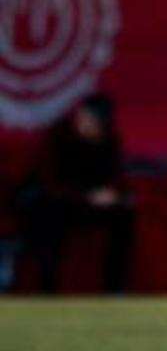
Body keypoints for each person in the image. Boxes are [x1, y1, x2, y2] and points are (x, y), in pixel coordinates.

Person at [16, 92, 135, 293]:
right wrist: (86, 196)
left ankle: (113, 290)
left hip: (88, 203)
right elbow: (50, 184)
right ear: (80, 116)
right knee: (50, 215)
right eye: (90, 122)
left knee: (123, 215)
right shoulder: (58, 135)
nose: (93, 128)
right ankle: (48, 292)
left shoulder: (108, 139)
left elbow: (116, 176)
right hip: (54, 202)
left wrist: (113, 195)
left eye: (98, 125)